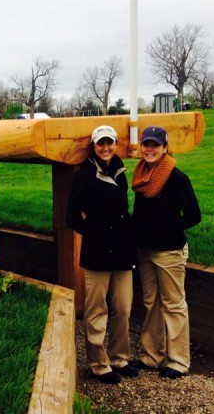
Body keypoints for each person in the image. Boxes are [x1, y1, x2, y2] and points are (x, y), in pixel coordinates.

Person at [66, 125, 139, 384]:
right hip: (97, 250)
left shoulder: (120, 170)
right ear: (94, 146)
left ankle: (120, 357)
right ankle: (98, 363)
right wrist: (95, 231)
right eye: (101, 144)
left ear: (116, 144)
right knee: (97, 309)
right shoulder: (84, 176)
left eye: (109, 143)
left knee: (123, 306)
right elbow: (72, 217)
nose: (105, 148)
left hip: (122, 249)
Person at [130, 126, 201, 379]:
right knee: (151, 303)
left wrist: (167, 229)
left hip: (169, 251)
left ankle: (179, 361)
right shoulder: (140, 175)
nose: (150, 149)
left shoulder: (177, 178)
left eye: (155, 145)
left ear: (164, 147)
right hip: (146, 250)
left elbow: (194, 215)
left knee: (173, 305)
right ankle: (152, 355)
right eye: (146, 144)